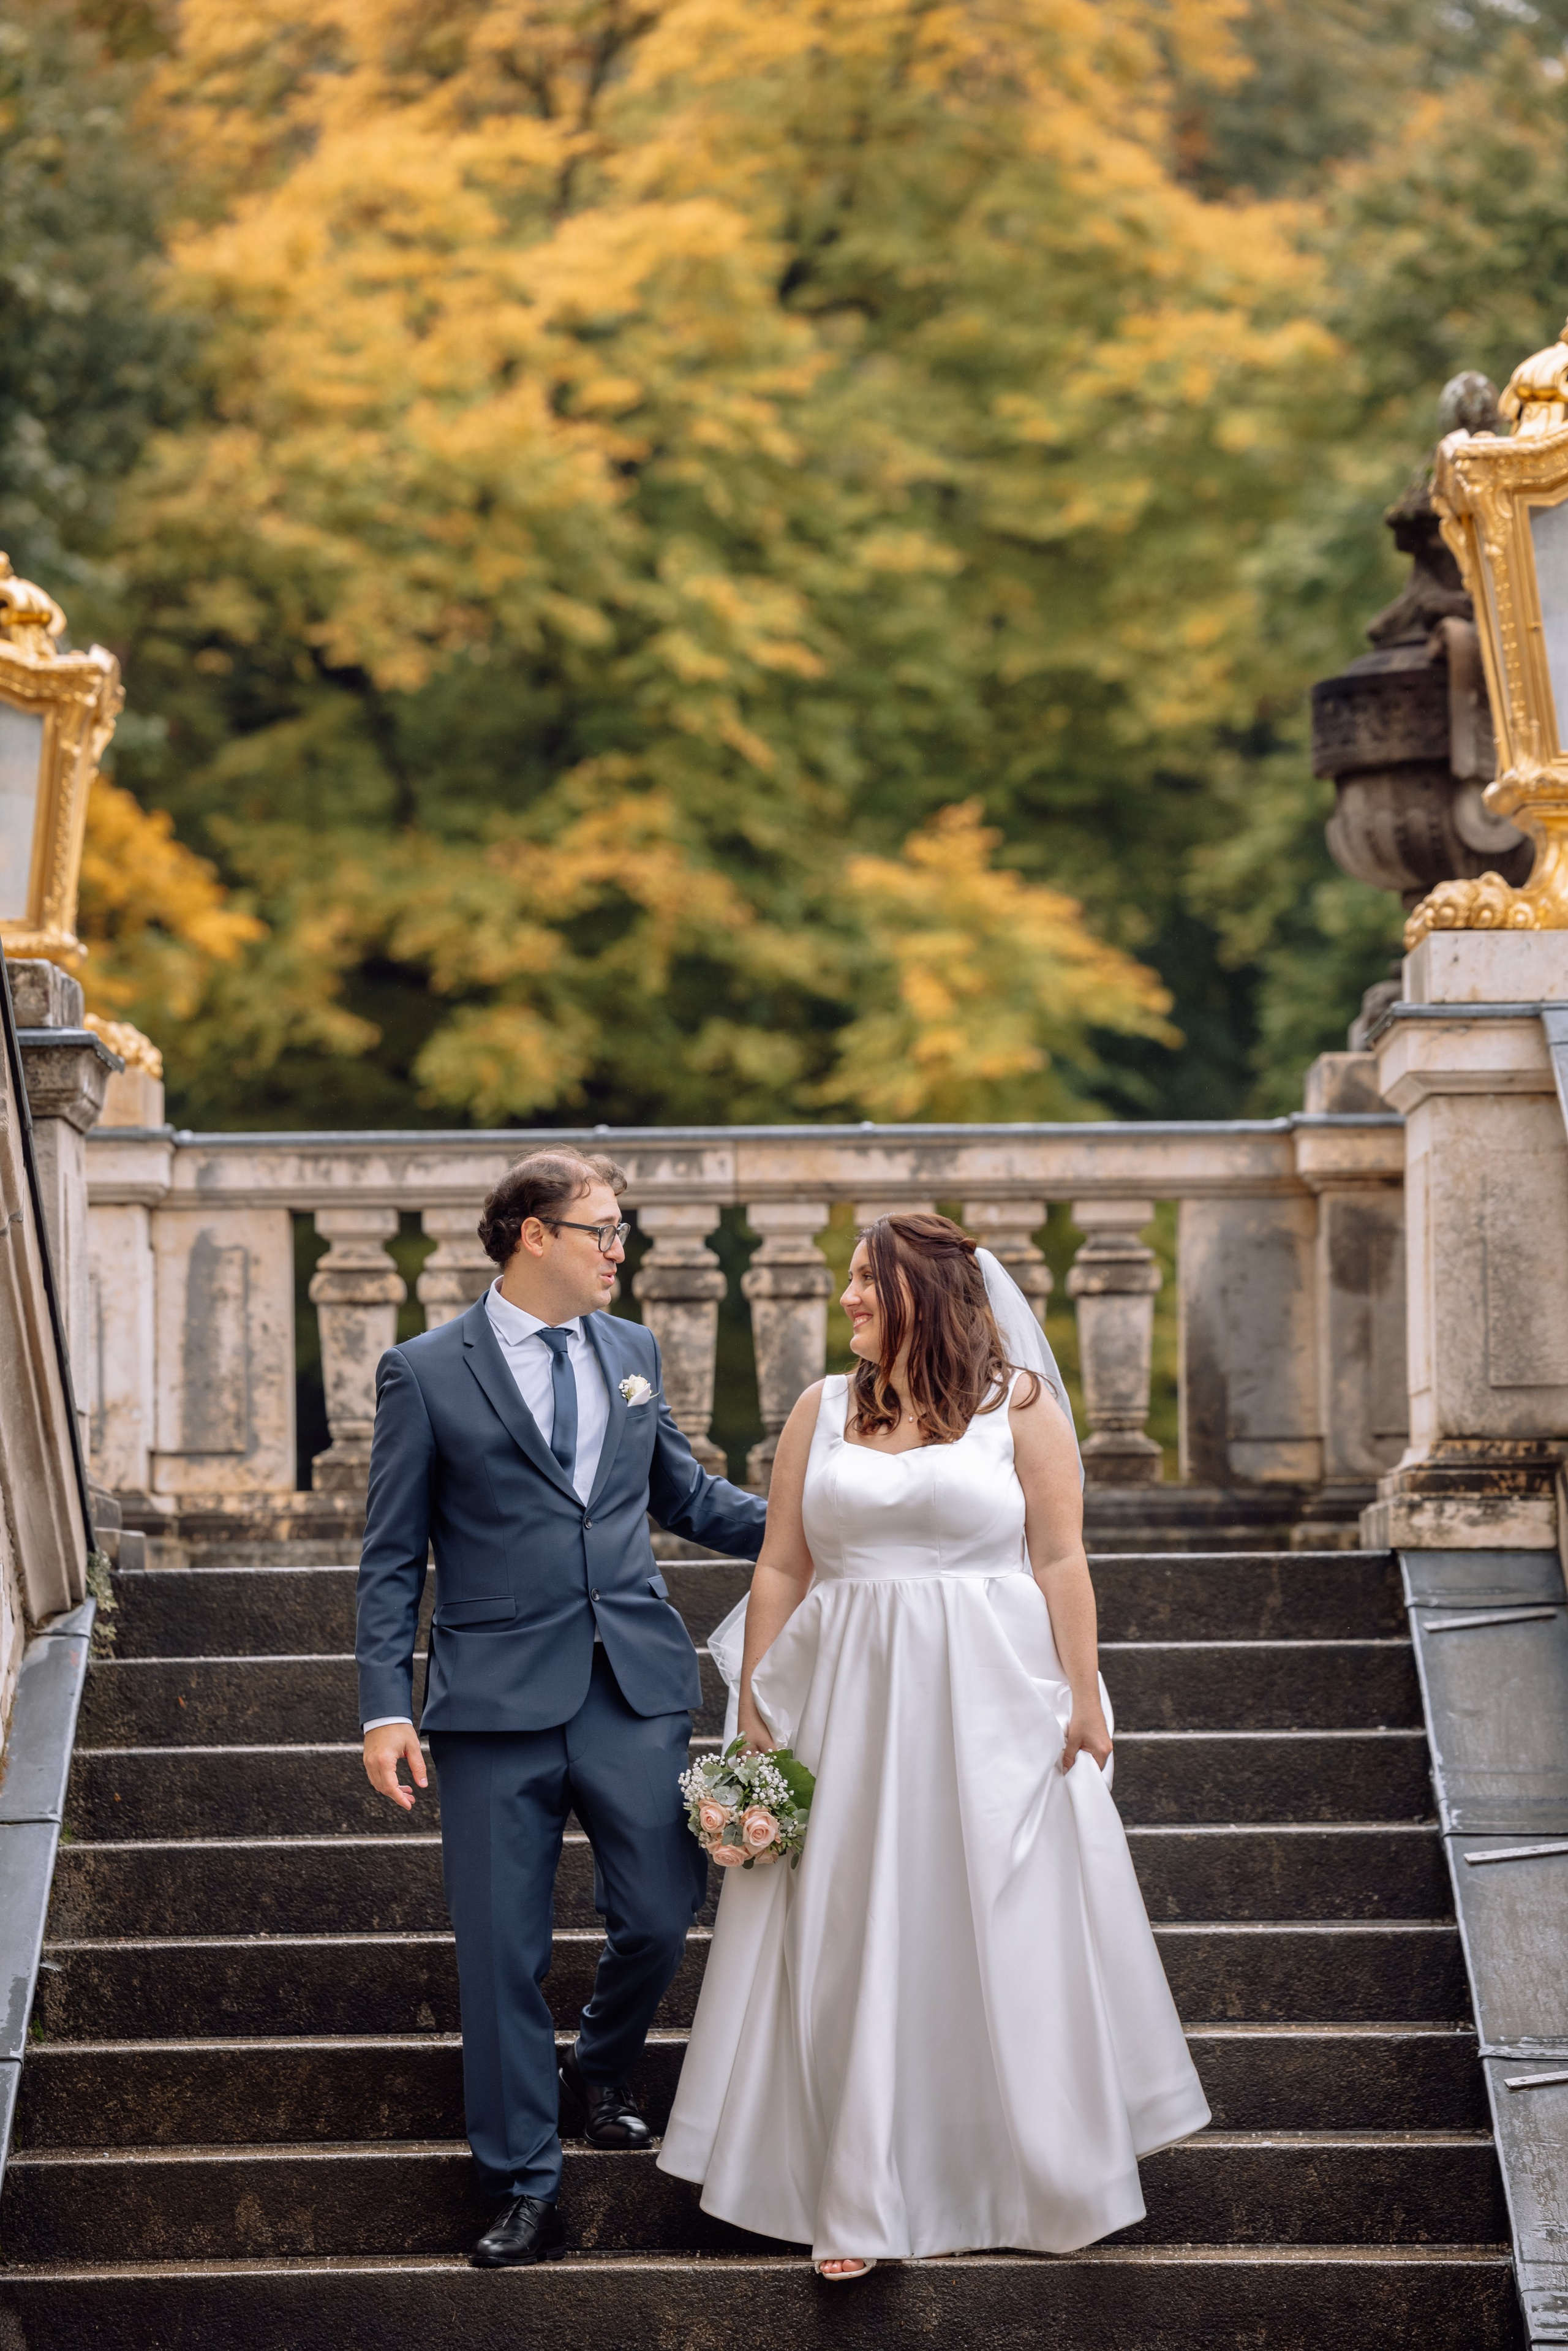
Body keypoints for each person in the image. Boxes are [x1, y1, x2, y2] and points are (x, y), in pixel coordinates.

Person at [658, 1211, 1210, 2277]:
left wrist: (1085, 1695)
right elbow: (781, 1565)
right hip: (847, 1698)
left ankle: (1028, 2169)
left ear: (927, 1292)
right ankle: (853, 2197)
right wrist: (756, 1706)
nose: (849, 1298)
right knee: (850, 1932)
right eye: (849, 1281)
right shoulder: (820, 1409)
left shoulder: (1021, 1406)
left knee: (990, 1920)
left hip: (991, 1699)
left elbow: (1060, 1558)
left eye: (867, 1280)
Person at [355, 1150, 769, 2269]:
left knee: (658, 1907)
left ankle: (603, 2060)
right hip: (489, 1700)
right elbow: (392, 1556)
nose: (618, 1249)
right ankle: (524, 2179)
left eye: (620, 1228)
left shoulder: (631, 1349)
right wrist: (383, 1707)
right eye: (603, 1228)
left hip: (630, 1682)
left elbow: (684, 1494)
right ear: (532, 1234)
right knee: (500, 1951)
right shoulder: (426, 1369)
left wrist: (832, 1522)